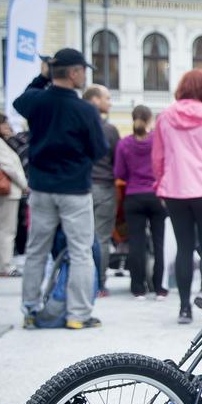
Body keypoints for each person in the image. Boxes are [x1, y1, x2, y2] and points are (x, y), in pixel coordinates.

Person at [14, 48, 106, 330]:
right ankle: (78, 314)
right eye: (83, 70)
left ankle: (30, 309)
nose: (84, 76)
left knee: (36, 250)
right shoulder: (85, 109)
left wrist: (43, 77)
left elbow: (20, 101)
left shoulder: (38, 102)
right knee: (80, 251)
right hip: (74, 187)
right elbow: (98, 149)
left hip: (41, 186)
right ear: (74, 72)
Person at [152, 69, 202, 324]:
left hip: (175, 190)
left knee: (184, 247)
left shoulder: (165, 117)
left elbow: (157, 158)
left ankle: (184, 309)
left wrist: (160, 184)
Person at [114, 105, 167, 300]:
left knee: (136, 243)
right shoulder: (157, 142)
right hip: (156, 196)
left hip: (133, 197)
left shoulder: (124, 144)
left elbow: (118, 173)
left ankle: (138, 287)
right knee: (159, 242)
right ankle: (159, 287)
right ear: (150, 119)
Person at [82, 84, 120, 297]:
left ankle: (81, 283)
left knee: (81, 239)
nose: (110, 102)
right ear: (95, 99)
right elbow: (118, 161)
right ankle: (100, 284)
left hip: (81, 187)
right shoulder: (109, 130)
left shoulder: (76, 125)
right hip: (104, 186)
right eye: (107, 97)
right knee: (102, 237)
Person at [0, 113, 28, 277]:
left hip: (3, 191)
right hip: (8, 191)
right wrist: (24, 185)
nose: (8, 127)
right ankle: (5, 266)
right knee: (6, 230)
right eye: (4, 124)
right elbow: (9, 167)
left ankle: (0, 265)